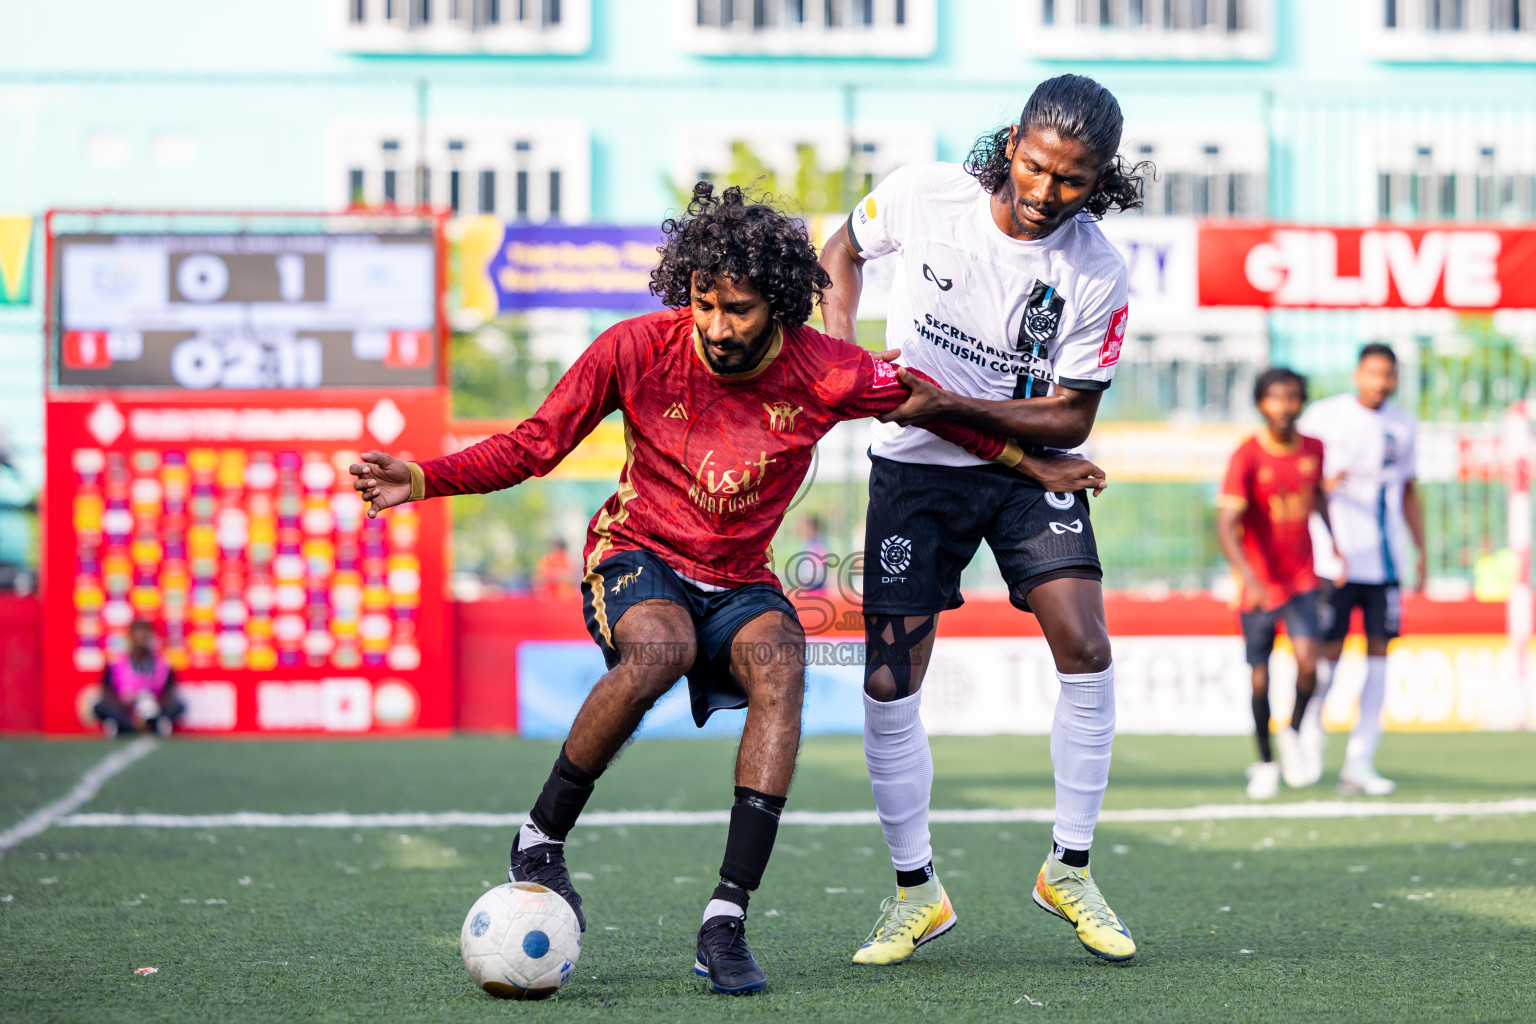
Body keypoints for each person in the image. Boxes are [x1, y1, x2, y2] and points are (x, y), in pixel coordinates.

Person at [350, 183, 1107, 994]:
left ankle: (725, 920)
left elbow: (929, 411)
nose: (716, 326)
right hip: (636, 554)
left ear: (778, 303)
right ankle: (539, 838)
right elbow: (535, 445)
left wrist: (1032, 465)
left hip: (738, 579)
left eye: (738, 309)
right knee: (664, 647)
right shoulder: (635, 348)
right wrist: (425, 477)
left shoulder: (829, 372)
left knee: (784, 663)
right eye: (703, 303)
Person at [819, 74, 1144, 965]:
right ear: (1011, 146)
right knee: (888, 681)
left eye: (1072, 180)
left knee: (1086, 642)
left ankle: (1069, 868)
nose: (1045, 194)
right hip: (914, 476)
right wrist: (845, 343)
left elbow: (1071, 418)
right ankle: (914, 891)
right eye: (1035, 167)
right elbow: (839, 247)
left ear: (1100, 179)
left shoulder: (1097, 271)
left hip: (1025, 473)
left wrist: (944, 403)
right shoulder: (927, 195)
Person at [1297, 343, 1424, 796]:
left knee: (1379, 658)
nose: (1380, 382)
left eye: (1388, 375)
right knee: (1327, 656)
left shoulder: (1404, 425)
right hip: (1336, 560)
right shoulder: (1323, 417)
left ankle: (1360, 762)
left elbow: (1409, 490)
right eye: (1373, 372)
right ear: (1357, 374)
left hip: (1385, 562)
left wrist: (1420, 550)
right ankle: (1308, 738)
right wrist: (1322, 484)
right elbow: (1299, 475)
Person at [1216, 368, 1339, 799]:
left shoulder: (1314, 450)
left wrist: (1335, 543)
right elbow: (1226, 524)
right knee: (1260, 681)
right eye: (1274, 398)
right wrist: (1248, 577)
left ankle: (1293, 728)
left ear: (1301, 402)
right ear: (1260, 404)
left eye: (1291, 397)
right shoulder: (1247, 455)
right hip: (1259, 584)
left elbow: (1318, 494)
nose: (1283, 406)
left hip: (1302, 578)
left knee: (1310, 665)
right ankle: (1266, 761)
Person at [94, 619, 184, 737]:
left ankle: (153, 723)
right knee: (100, 706)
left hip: (153, 708)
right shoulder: (116, 664)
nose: (141, 639)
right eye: (137, 635)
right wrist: (125, 703)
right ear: (130, 637)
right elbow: (107, 692)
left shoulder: (163, 664)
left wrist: (156, 702)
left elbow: (170, 693)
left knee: (178, 706)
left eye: (144, 635)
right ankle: (131, 726)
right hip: (126, 709)